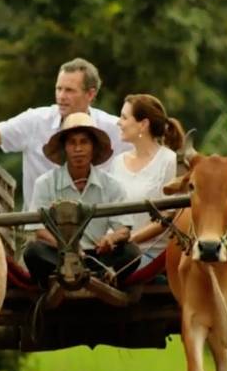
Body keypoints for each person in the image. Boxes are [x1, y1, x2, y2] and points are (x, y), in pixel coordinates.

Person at [0, 58, 127, 206]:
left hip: (98, 230)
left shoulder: (113, 127)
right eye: (58, 89)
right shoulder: (35, 121)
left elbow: (148, 144)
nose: (61, 96)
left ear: (90, 94)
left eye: (69, 90)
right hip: (40, 229)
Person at [20, 113, 140, 285]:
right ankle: (79, 278)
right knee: (33, 252)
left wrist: (110, 239)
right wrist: (68, 249)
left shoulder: (112, 185)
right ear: (64, 148)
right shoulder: (45, 183)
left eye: (84, 142)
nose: (78, 149)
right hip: (59, 254)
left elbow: (124, 229)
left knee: (132, 252)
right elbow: (39, 230)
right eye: (72, 143)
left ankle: (96, 278)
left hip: (98, 257)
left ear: (93, 147)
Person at [106, 94, 185, 270]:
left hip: (150, 256)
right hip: (115, 251)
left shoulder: (169, 162)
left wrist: (128, 239)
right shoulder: (117, 162)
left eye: (124, 117)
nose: (119, 122)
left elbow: (167, 217)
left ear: (143, 124)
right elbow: (109, 212)